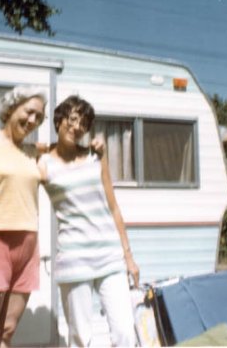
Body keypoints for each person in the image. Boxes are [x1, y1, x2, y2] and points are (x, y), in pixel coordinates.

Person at [38, 95, 140, 347]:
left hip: (110, 255)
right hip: (74, 258)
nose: (77, 127)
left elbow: (113, 207)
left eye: (83, 123)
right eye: (72, 119)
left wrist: (128, 256)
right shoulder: (43, 163)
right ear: (59, 120)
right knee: (81, 338)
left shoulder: (96, 156)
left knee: (125, 332)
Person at [0, 86, 47, 348]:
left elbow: (64, 151)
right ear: (10, 108)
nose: (32, 121)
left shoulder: (32, 152)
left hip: (28, 245)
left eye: (38, 117)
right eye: (28, 112)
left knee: (6, 332)